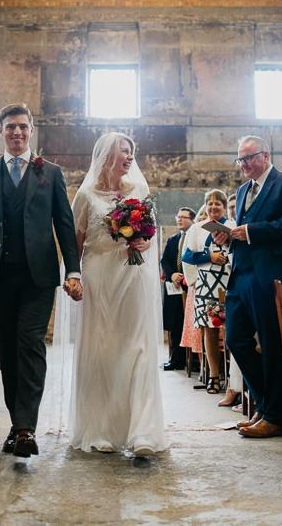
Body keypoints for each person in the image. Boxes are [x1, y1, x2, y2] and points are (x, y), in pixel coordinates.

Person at [0, 103, 81, 459]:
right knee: (8, 352)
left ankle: (26, 428)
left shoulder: (51, 173)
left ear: (31, 130)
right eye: (10, 127)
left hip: (38, 276)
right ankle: (17, 425)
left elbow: (64, 224)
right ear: (0, 131)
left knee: (30, 343)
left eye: (22, 127)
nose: (17, 133)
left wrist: (73, 270)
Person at [68, 132, 167, 456]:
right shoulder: (86, 195)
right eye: (124, 151)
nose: (129, 157)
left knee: (138, 348)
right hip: (100, 277)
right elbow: (75, 244)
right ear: (107, 154)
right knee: (103, 350)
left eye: (131, 152)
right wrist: (74, 278)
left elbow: (150, 235)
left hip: (133, 276)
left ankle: (142, 433)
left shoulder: (139, 190)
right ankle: (102, 429)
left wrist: (144, 242)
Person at [214, 135, 282, 439]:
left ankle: (277, 416)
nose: (242, 165)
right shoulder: (242, 191)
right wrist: (228, 236)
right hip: (241, 273)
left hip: (272, 273)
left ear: (265, 155)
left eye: (247, 158)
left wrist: (251, 231)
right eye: (239, 159)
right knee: (236, 339)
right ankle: (267, 403)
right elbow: (241, 232)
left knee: (270, 343)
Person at [182, 189, 235, 394]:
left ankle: (233, 379)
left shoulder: (231, 226)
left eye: (218, 204)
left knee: (231, 329)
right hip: (207, 284)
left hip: (228, 284)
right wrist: (208, 256)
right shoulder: (196, 229)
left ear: (223, 207)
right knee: (210, 329)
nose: (213, 207)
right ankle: (213, 376)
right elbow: (186, 256)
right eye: (210, 203)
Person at [160, 207, 195, 371]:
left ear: (192, 219)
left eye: (183, 217)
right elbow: (165, 260)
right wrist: (172, 274)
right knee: (175, 324)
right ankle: (176, 359)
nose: (179, 219)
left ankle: (194, 361)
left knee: (189, 323)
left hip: (191, 287)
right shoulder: (173, 239)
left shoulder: (194, 238)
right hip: (174, 287)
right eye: (178, 217)